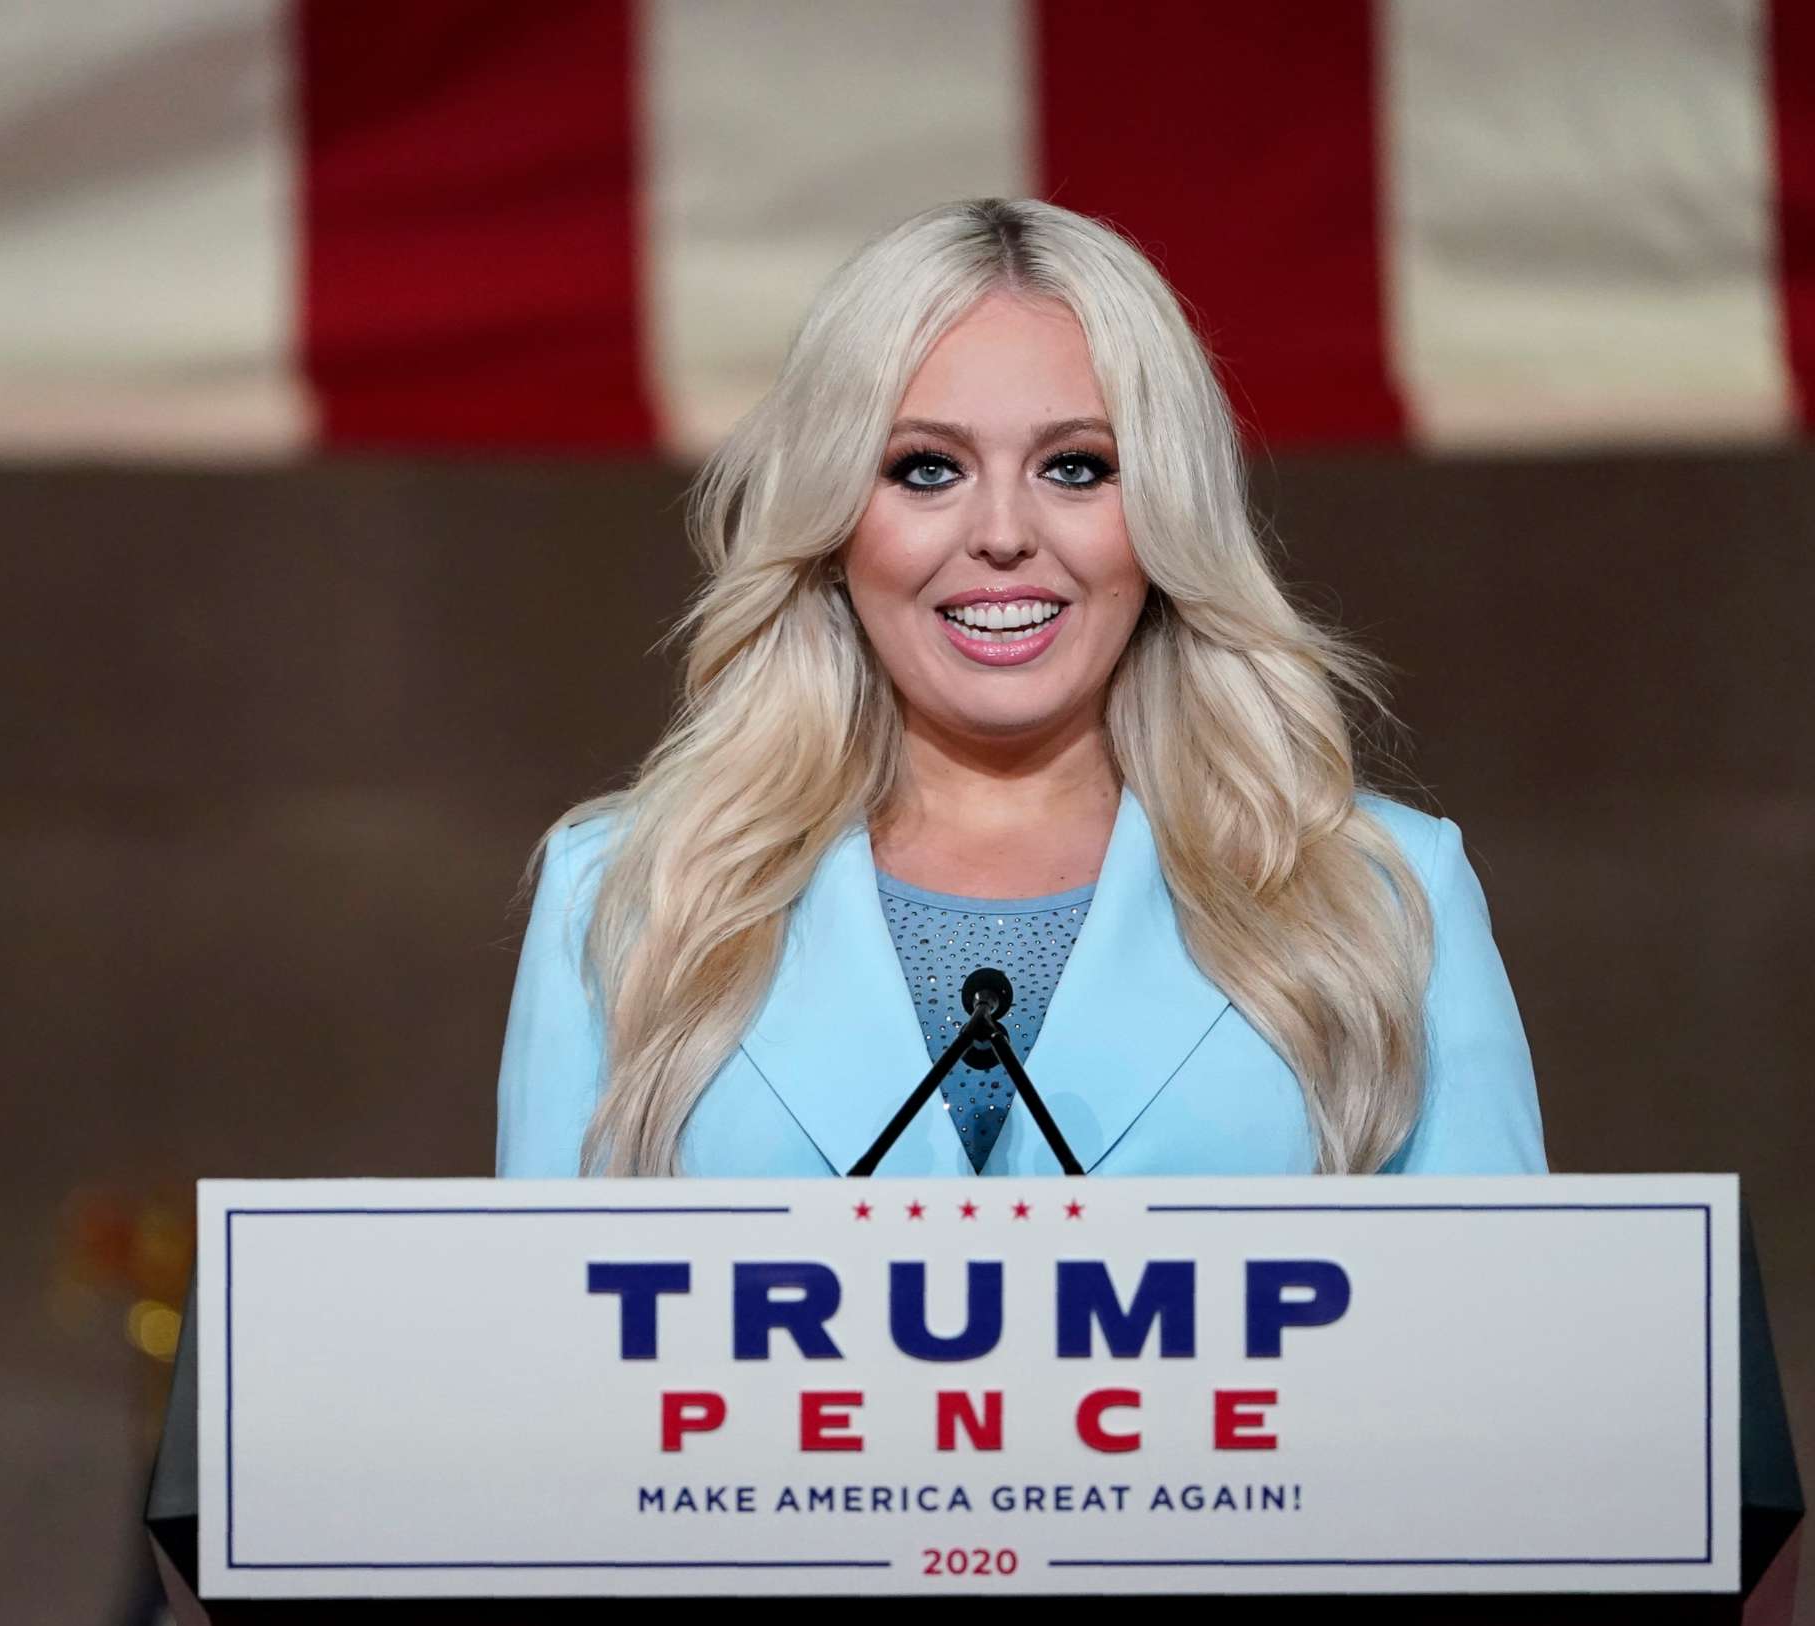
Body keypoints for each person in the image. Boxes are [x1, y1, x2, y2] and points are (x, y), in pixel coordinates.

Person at [497, 198, 1544, 1182]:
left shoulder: (1388, 895)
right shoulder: (626, 896)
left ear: (1168, 513)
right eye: (924, 469)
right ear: (829, 519)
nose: (1003, 534)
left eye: (1078, 467)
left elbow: (1494, 1341)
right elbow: (536, 1349)